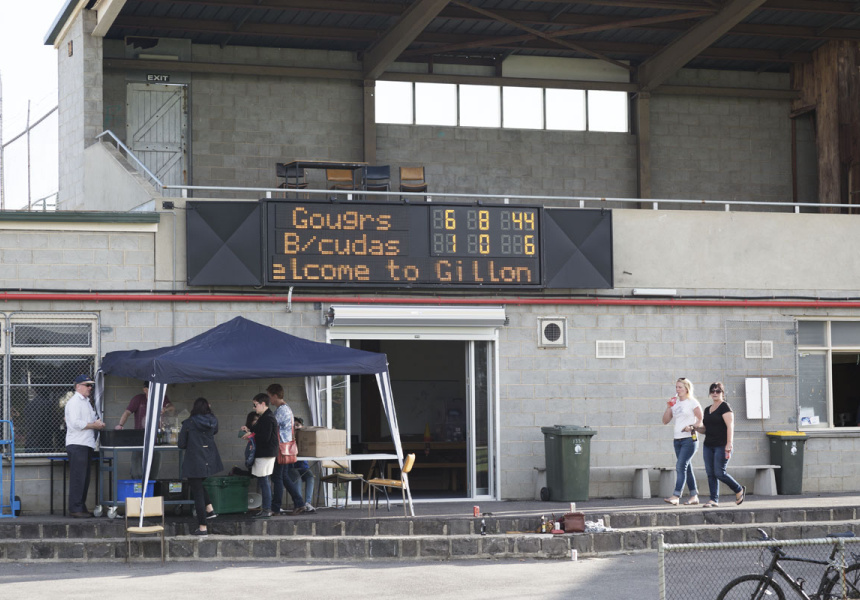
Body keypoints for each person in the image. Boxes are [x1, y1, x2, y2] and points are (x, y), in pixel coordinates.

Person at [178, 397, 223, 537]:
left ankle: (203, 527)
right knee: (197, 485)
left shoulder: (189, 423)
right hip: (209, 459)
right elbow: (214, 432)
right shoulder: (213, 421)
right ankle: (209, 509)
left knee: (197, 493)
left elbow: (181, 444)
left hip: (195, 460)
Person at [697, 382, 745, 507]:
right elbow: (705, 429)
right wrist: (695, 428)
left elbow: (730, 426)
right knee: (710, 473)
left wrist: (729, 443)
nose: (715, 393)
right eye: (712, 391)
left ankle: (738, 489)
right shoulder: (707, 409)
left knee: (719, 472)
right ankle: (713, 499)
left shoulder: (725, 407)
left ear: (722, 393)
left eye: (718, 391)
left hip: (722, 445)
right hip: (708, 445)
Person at [64, 374, 105, 518]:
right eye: (87, 385)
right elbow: (76, 423)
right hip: (77, 443)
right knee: (78, 477)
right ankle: (75, 508)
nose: (90, 388)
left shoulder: (86, 402)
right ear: (78, 387)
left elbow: (90, 419)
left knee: (85, 477)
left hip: (86, 443)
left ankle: (81, 506)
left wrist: (97, 423)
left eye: (91, 385)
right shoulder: (74, 402)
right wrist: (94, 425)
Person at [114, 382, 175, 478]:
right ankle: (137, 483)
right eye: (151, 389)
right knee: (137, 470)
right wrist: (120, 425)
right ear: (145, 389)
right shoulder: (138, 399)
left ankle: (151, 485)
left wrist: (165, 409)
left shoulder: (161, 398)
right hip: (140, 439)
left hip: (156, 439)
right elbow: (127, 413)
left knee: (154, 470)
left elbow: (171, 407)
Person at [267, 383, 309, 516]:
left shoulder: (281, 410)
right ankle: (299, 503)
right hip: (286, 448)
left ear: (275, 396)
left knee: (277, 477)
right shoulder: (286, 408)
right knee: (283, 476)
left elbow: (271, 426)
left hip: (281, 448)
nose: (269, 399)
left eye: (270, 396)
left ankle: (275, 508)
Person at [662, 377, 703, 506]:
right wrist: (668, 407)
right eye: (676, 387)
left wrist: (691, 426)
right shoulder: (675, 403)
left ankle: (676, 495)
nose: (677, 389)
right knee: (687, 467)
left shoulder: (692, 402)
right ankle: (694, 496)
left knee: (680, 466)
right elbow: (665, 421)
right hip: (677, 440)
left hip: (689, 439)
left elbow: (700, 420)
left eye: (680, 387)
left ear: (686, 389)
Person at [242, 393, 278, 519]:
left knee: (264, 481)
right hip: (265, 453)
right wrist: (249, 431)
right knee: (264, 481)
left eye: (255, 404)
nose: (254, 407)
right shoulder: (265, 417)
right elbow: (260, 433)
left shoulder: (268, 418)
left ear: (263, 404)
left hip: (265, 453)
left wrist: (251, 435)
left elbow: (264, 437)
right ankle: (266, 508)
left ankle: (267, 509)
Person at [288, 417, 316, 512]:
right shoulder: (287, 437)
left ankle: (308, 503)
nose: (296, 427)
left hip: (303, 466)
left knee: (310, 476)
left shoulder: (305, 438)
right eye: (294, 425)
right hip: (290, 467)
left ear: (302, 427)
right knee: (297, 478)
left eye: (298, 425)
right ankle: (299, 504)